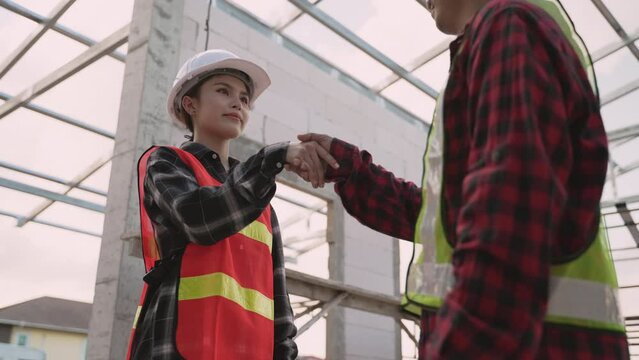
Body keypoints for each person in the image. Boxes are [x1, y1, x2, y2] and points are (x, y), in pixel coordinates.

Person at [289, 0, 630, 358]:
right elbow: (445, 217)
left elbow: (507, 226)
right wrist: (351, 170)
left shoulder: (509, 27)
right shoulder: (507, 31)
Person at [126, 49, 338, 359]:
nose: (238, 102)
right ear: (190, 103)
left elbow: (278, 299)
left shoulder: (261, 202)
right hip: (179, 346)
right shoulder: (167, 163)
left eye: (244, 97)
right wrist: (273, 158)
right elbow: (200, 219)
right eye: (223, 91)